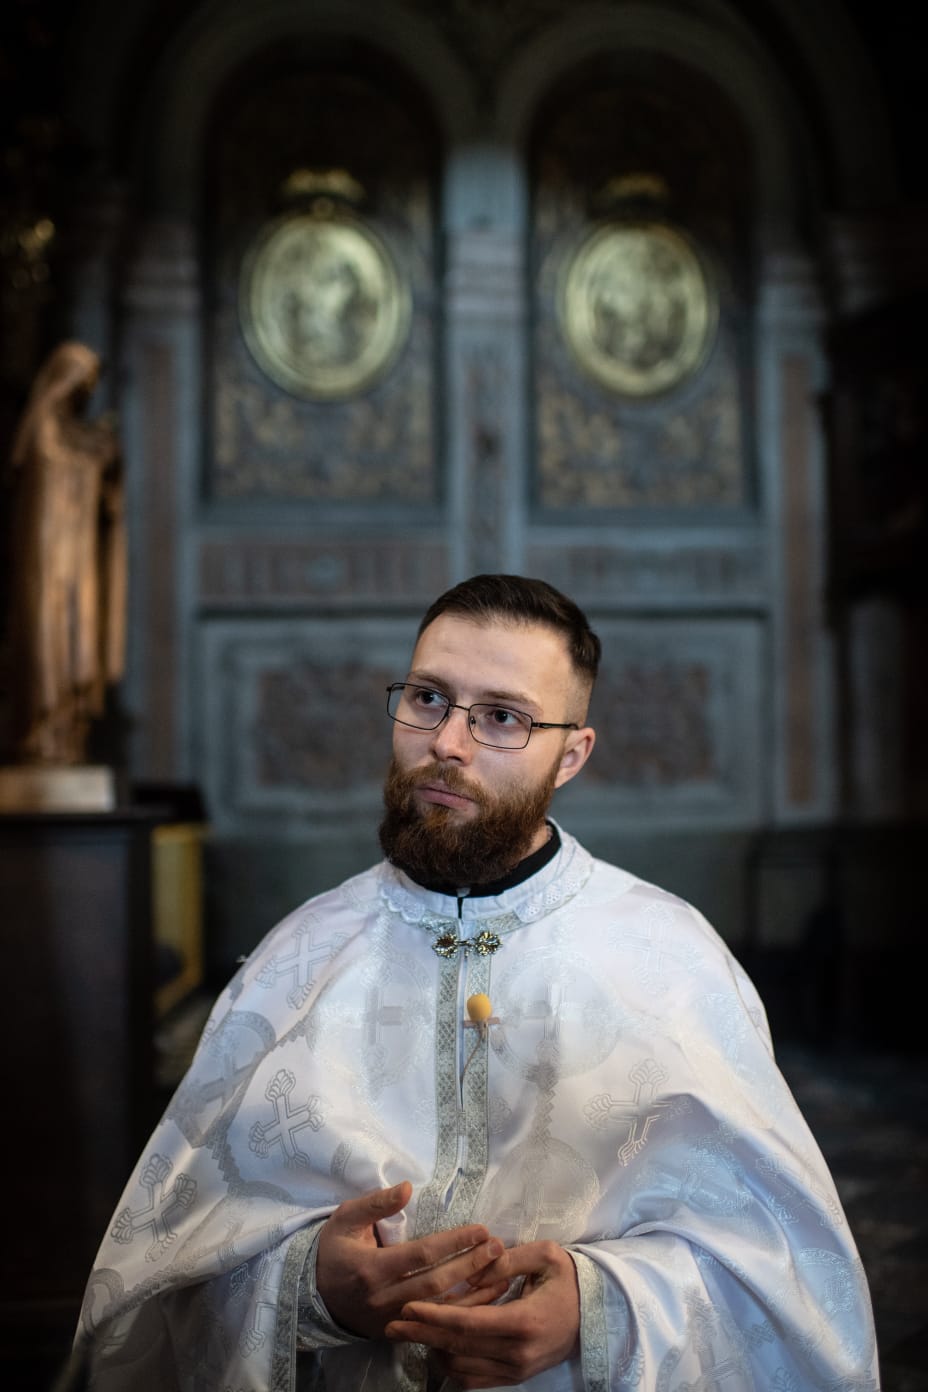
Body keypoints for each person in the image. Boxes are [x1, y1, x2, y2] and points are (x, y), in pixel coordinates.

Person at [72, 574, 878, 1390]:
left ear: (571, 755)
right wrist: (310, 1289)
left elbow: (785, 1279)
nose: (448, 743)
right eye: (428, 699)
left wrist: (596, 1309)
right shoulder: (298, 959)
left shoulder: (672, 962)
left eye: (501, 718)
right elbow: (157, 1282)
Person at [6, 341, 125, 765]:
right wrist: (95, 459)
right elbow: (56, 465)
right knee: (49, 635)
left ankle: (67, 732)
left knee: (78, 633)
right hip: (49, 553)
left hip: (76, 554)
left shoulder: (71, 432)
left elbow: (86, 466)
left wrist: (105, 457)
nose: (84, 395)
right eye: (79, 384)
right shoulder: (41, 426)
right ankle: (42, 733)